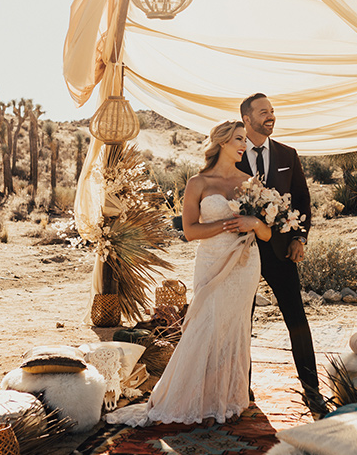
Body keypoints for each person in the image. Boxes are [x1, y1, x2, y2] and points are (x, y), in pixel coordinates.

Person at [105, 121, 270, 426]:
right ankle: (189, 399)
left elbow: (266, 233)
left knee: (233, 329)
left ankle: (225, 399)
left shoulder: (251, 183)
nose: (244, 146)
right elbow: (191, 231)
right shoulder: (198, 182)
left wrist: (255, 224)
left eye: (245, 141)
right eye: (238, 139)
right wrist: (229, 224)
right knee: (205, 325)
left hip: (245, 264)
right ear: (221, 142)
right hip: (211, 261)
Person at [237, 93, 324, 416]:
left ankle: (312, 388)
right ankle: (241, 389)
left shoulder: (289, 154)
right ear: (247, 119)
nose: (271, 116)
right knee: (241, 322)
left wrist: (300, 237)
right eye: (263, 112)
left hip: (281, 250)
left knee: (297, 319)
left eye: (272, 111)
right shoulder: (233, 153)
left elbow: (302, 199)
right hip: (241, 252)